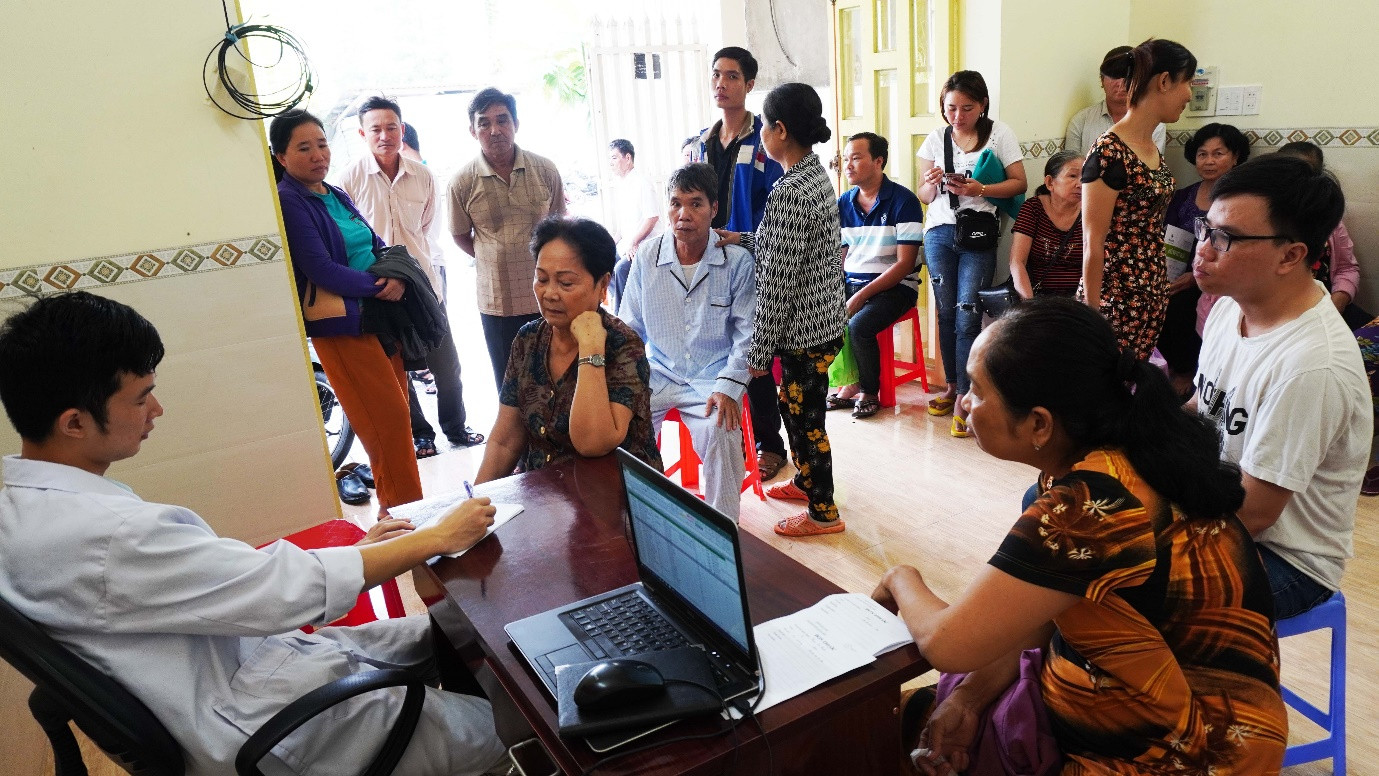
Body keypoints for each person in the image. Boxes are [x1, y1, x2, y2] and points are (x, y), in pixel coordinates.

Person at [0, 291, 508, 776]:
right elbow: (278, 592)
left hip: (250, 669)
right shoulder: (111, 535)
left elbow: (222, 580)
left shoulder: (23, 507)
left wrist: (361, 552)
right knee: (516, 725)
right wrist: (434, 538)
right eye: (141, 397)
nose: (157, 410)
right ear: (74, 423)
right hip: (275, 728)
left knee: (454, 633)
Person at [874, 297, 1285, 775]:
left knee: (877, 737)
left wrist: (901, 577)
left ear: (1039, 423)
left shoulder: (1092, 506)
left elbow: (949, 645)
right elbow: (1044, 610)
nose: (964, 401)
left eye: (978, 390)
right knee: (902, 725)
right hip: (1122, 701)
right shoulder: (1113, 457)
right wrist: (970, 697)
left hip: (1193, 754)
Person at [1191, 154, 1370, 619]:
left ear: (1291, 255)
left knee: (1111, 575)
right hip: (1215, 504)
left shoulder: (1311, 365)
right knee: (1061, 511)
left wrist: (1141, 536)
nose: (1203, 249)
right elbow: (1202, 405)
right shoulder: (1231, 305)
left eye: (1225, 238)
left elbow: (1253, 514)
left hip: (1285, 559)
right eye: (1205, 229)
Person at [272, 110, 422, 512]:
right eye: (304, 148)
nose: (318, 155)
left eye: (322, 144)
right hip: (343, 326)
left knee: (397, 421)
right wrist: (381, 286)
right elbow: (319, 268)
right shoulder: (289, 200)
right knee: (386, 425)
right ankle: (406, 521)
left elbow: (374, 244)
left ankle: (405, 515)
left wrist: (396, 276)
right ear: (281, 157)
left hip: (378, 318)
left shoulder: (336, 194)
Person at [714, 83, 847, 537]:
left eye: (765, 127)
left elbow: (777, 282)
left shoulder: (790, 190)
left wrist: (758, 351)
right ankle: (808, 482)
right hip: (823, 322)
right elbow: (784, 247)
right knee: (797, 410)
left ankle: (823, 513)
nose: (762, 136)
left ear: (781, 130)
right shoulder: (813, 175)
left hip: (804, 333)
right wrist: (742, 238)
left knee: (806, 422)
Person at [339, 96, 485, 457]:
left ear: (402, 130)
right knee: (399, 368)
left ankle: (456, 426)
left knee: (446, 365)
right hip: (380, 289)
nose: (384, 135)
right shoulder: (349, 180)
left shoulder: (423, 176)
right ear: (362, 134)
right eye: (375, 129)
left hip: (423, 285)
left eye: (391, 127)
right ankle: (421, 435)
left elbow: (427, 230)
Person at [475, 217, 661, 482]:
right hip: (542, 494)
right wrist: (477, 498)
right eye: (542, 279)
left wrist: (591, 348)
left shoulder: (623, 344)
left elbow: (592, 443)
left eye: (566, 283)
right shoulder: (529, 339)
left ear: (602, 285)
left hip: (615, 494)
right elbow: (505, 442)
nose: (550, 293)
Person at [619, 163, 755, 518]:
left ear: (714, 209)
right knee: (620, 424)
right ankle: (639, 519)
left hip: (713, 377)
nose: (684, 214)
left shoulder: (737, 261)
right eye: (676, 203)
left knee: (721, 429)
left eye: (695, 204)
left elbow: (748, 334)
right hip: (659, 372)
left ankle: (722, 528)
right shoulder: (648, 256)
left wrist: (729, 386)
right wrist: (623, 382)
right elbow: (629, 327)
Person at [690, 46, 790, 482]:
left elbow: (778, 208)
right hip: (709, 262)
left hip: (753, 261)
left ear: (749, 85)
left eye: (731, 76)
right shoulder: (698, 144)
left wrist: (747, 241)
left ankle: (770, 444)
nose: (721, 83)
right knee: (716, 348)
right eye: (716, 75)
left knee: (755, 353)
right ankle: (729, 438)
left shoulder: (765, 141)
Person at [916, 70, 1027, 437]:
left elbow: (1020, 183)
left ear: (982, 105)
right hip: (939, 232)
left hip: (979, 233)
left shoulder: (999, 134)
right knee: (946, 312)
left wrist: (981, 189)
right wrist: (931, 183)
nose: (958, 116)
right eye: (951, 108)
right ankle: (952, 386)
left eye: (966, 108)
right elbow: (924, 196)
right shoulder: (935, 139)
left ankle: (965, 397)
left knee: (968, 313)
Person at [1082, 38, 1196, 361]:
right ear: (1164, 81)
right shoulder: (1109, 151)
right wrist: (1092, 320)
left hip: (1151, 292)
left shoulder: (1148, 146)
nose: (1189, 94)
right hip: (1117, 299)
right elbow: (1093, 242)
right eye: (1187, 81)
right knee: (1109, 382)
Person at [448, 88, 567, 389]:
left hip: (546, 295)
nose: (495, 130)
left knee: (553, 377)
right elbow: (460, 235)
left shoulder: (545, 169)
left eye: (502, 120)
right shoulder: (462, 181)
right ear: (472, 131)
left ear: (516, 123)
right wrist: (493, 256)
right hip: (497, 301)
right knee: (509, 383)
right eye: (484, 123)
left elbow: (558, 225)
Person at [830, 132, 924, 419]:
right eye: (846, 159)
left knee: (859, 325)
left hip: (896, 288)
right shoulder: (844, 203)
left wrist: (860, 297)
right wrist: (832, 289)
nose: (848, 166)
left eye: (856, 158)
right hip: (854, 283)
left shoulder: (904, 201)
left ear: (878, 161)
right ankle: (849, 383)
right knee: (822, 313)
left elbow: (905, 264)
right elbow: (841, 254)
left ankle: (869, 392)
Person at [1156, 123, 1249, 396]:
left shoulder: (1240, 199)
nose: (1209, 161)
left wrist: (1194, 278)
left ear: (1235, 157)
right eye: (1202, 154)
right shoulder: (1182, 196)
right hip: (1180, 270)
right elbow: (1169, 238)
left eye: (1218, 154)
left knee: (1182, 305)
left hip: (1219, 274)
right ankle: (1164, 365)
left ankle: (1187, 372)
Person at [1064, 45, 1168, 155]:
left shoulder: (1155, 124)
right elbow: (1071, 164)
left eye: (1128, 76)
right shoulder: (1081, 122)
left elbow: (1152, 165)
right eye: (1114, 75)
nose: (1121, 83)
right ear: (1102, 80)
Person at [1008, 150, 1083, 299]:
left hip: (1080, 299)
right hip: (1038, 297)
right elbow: (1017, 262)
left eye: (1086, 177)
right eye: (1073, 176)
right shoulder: (1033, 208)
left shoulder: (1092, 212)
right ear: (1050, 182)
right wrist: (1030, 305)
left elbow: (1099, 264)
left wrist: (1085, 304)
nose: (1080, 184)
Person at [606, 139, 661, 260]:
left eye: (614, 158)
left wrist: (634, 242)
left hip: (644, 246)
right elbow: (622, 228)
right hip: (627, 246)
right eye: (610, 159)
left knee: (620, 269)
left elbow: (652, 218)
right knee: (603, 262)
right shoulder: (621, 186)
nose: (610, 163)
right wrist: (610, 244)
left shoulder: (642, 183)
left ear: (628, 158)